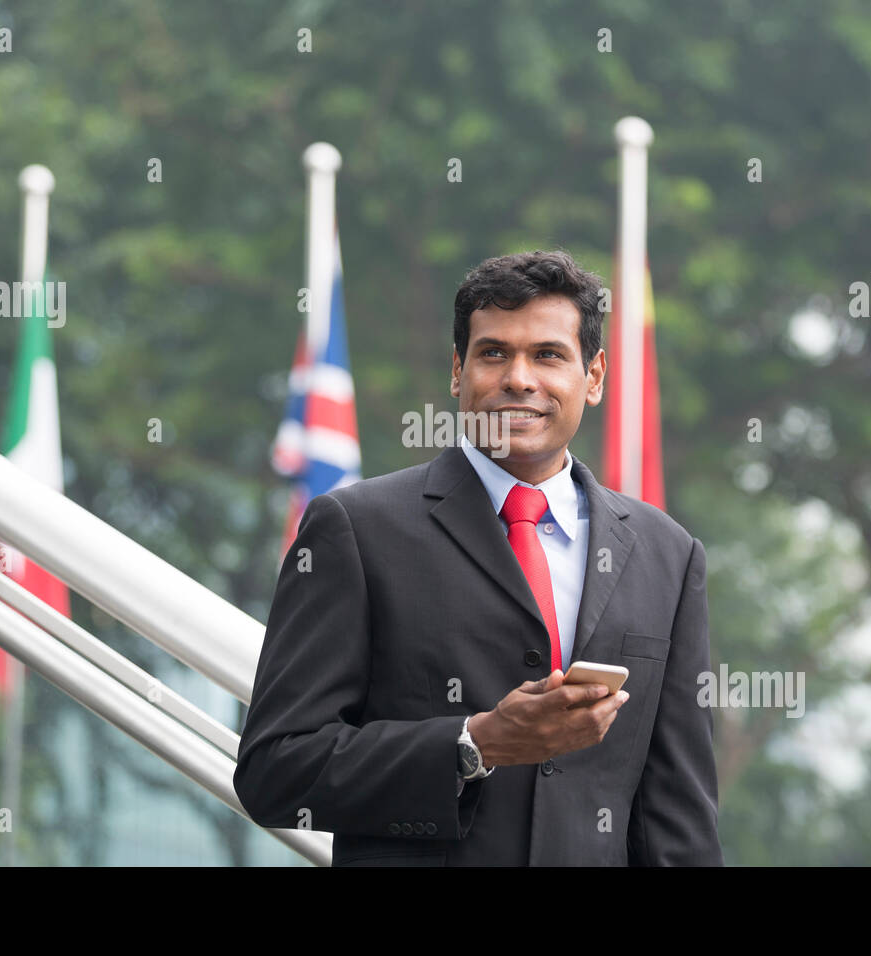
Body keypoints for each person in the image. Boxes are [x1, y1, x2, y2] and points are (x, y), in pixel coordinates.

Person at [234, 249, 723, 866]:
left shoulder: (669, 556)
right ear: (457, 372)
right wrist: (474, 744)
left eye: (548, 355)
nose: (519, 378)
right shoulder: (356, 531)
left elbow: (678, 822)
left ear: (593, 377)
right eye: (494, 353)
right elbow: (274, 771)